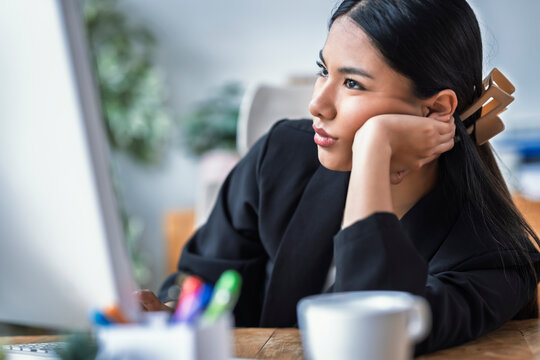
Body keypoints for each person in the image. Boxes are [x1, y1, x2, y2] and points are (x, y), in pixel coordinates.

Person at [138, 0, 540, 354]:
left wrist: (374, 150)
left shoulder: (493, 262)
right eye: (322, 70)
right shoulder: (280, 157)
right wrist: (171, 311)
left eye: (352, 83)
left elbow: (366, 341)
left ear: (436, 110)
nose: (317, 103)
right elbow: (200, 282)